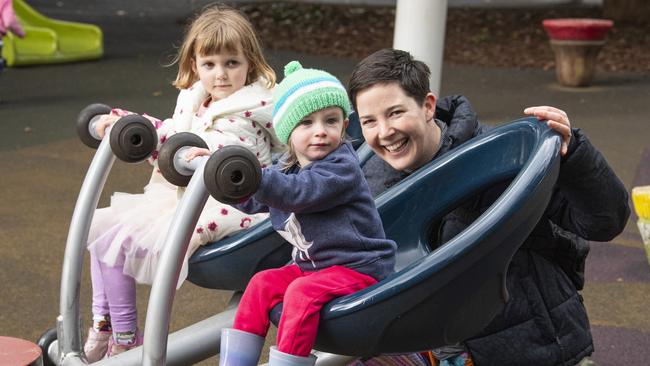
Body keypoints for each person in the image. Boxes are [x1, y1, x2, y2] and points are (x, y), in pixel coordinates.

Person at [347, 49, 630, 366]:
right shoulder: (369, 185)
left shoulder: (503, 158)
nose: (385, 132)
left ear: (427, 106)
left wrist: (574, 155)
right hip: (437, 350)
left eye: (396, 113)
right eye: (369, 121)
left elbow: (605, 222)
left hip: (531, 345)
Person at [82, 5, 283, 361]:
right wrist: (126, 124)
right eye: (210, 65)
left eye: (231, 63)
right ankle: (105, 326)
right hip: (182, 194)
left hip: (235, 205)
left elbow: (289, 144)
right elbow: (171, 135)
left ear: (249, 62)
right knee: (102, 234)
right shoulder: (192, 99)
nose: (220, 75)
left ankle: (127, 338)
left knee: (118, 240)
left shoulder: (263, 105)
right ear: (194, 64)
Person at [203, 61, 397, 366]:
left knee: (301, 293)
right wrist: (223, 180)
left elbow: (298, 193)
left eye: (330, 121)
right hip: (314, 266)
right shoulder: (285, 168)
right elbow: (256, 200)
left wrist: (254, 176)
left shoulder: (341, 168)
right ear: (287, 132)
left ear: (344, 126)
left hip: (359, 267)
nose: (320, 132)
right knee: (261, 285)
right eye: (306, 123)